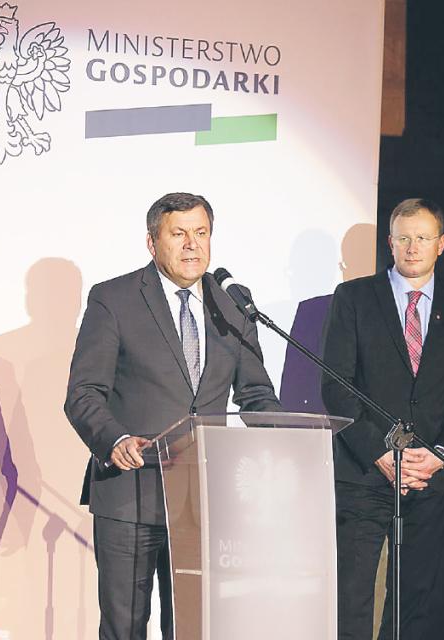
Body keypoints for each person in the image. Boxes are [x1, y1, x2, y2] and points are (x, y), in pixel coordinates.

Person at [64, 192, 281, 640]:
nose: (192, 244)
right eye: (178, 233)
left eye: (201, 233)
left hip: (203, 499)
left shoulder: (233, 304)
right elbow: (84, 393)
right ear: (152, 242)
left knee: (193, 628)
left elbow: (256, 394)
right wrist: (115, 439)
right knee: (124, 628)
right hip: (131, 491)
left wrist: (291, 440)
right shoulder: (114, 299)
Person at [321, 198, 444, 640]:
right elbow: (336, 385)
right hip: (364, 474)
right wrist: (379, 452)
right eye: (404, 238)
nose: (413, 247)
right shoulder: (354, 298)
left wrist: (440, 455)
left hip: (429, 478)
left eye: (423, 238)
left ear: (441, 244)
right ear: (390, 242)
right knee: (351, 601)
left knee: (413, 604)